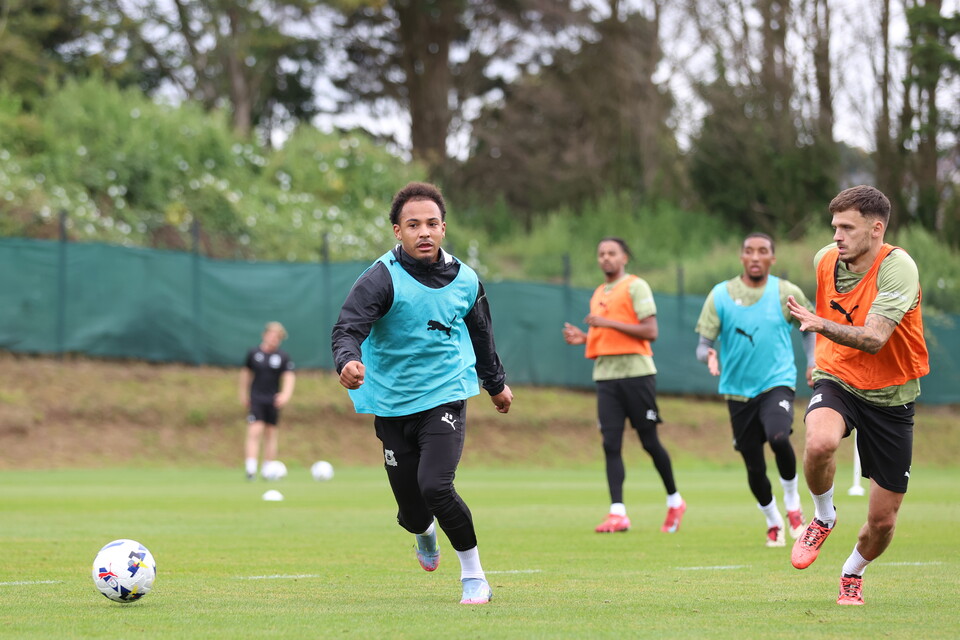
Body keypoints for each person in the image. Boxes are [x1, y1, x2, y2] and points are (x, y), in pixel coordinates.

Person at [331, 182, 513, 606]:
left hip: (445, 395)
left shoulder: (466, 280)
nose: (424, 232)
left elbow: (482, 336)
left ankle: (474, 577)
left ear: (444, 228)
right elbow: (347, 328)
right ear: (398, 231)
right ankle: (423, 533)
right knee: (413, 512)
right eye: (413, 225)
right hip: (392, 403)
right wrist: (347, 361)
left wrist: (495, 383)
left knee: (435, 485)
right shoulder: (379, 278)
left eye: (432, 223)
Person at [786, 185, 929, 606]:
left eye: (847, 227)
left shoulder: (898, 268)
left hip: (892, 397)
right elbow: (824, 314)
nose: (836, 236)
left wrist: (819, 326)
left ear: (876, 228)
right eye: (834, 226)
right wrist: (819, 351)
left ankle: (852, 572)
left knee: (882, 522)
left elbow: (873, 338)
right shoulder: (824, 261)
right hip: (840, 379)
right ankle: (823, 515)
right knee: (819, 441)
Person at [694, 233, 815, 547]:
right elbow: (703, 344)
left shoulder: (785, 292)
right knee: (753, 464)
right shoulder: (720, 295)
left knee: (778, 437)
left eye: (763, 251)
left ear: (772, 258)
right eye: (749, 251)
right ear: (742, 257)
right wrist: (707, 354)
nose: (756, 256)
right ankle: (773, 519)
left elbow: (811, 327)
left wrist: (812, 361)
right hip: (737, 391)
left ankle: (792, 503)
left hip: (777, 383)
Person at [562, 238, 686, 534]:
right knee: (609, 443)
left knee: (648, 441)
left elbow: (650, 330)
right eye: (601, 253)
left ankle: (674, 500)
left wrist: (606, 324)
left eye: (612, 253)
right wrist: (585, 337)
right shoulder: (598, 293)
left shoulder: (635, 286)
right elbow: (606, 335)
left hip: (637, 375)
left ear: (625, 257)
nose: (606, 258)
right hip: (605, 376)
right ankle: (618, 513)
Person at [240, 321, 296, 480]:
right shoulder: (253, 354)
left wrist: (285, 395)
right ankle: (250, 469)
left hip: (272, 400)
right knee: (255, 430)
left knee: (270, 434)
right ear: (265, 335)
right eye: (271, 335)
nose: (274, 339)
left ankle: (267, 470)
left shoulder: (282, 357)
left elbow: (289, 377)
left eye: (277, 337)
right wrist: (244, 394)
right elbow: (246, 374)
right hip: (256, 398)